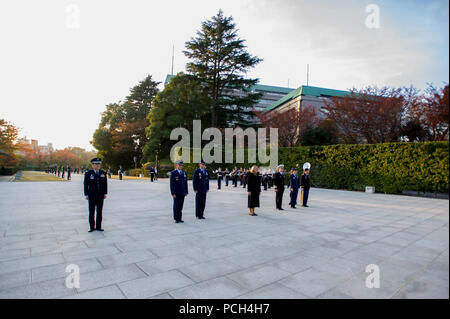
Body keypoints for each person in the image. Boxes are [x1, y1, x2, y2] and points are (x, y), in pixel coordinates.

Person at [84, 158, 108, 232]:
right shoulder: (88, 173)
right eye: (96, 164)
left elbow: (105, 184)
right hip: (92, 195)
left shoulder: (103, 173)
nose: (98, 166)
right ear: (93, 165)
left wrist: (105, 193)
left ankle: (98, 226)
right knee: (92, 211)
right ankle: (92, 227)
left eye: (99, 164)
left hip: (100, 195)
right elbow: (85, 184)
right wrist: (86, 194)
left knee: (99, 211)